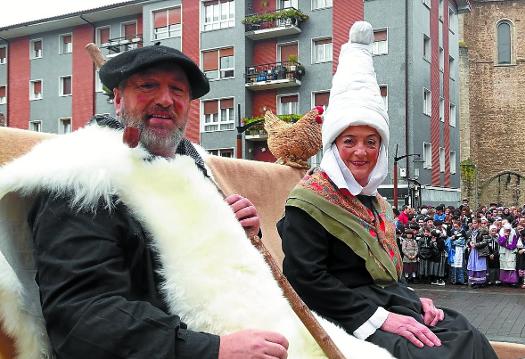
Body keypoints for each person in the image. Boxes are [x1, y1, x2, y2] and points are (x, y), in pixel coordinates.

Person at [5, 45, 293, 358]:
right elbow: (85, 319)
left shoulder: (189, 171)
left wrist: (230, 233)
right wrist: (211, 350)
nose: (166, 100)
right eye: (148, 85)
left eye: (178, 90)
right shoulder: (84, 179)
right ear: (117, 99)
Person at [277, 21, 497, 359]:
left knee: (466, 333)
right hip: (343, 316)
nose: (361, 152)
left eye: (371, 141)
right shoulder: (307, 202)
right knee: (434, 354)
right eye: (349, 141)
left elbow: (380, 276)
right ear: (334, 146)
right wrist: (382, 319)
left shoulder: (374, 201)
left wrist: (411, 300)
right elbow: (306, 279)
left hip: (388, 302)